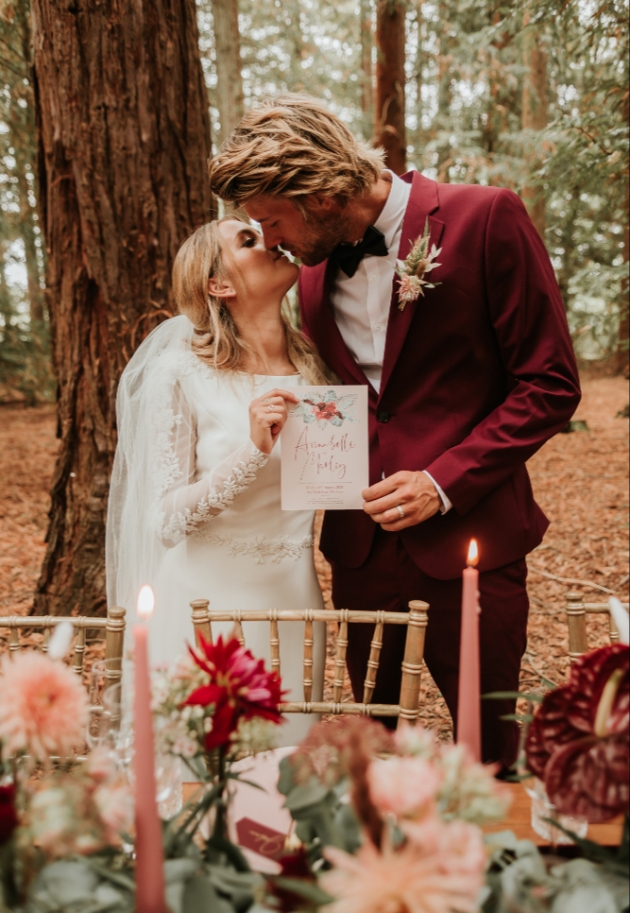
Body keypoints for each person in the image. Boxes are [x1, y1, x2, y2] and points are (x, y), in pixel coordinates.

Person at [208, 94, 582, 767]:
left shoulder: (487, 217)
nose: (268, 240)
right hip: (358, 552)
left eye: (271, 219)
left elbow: (550, 382)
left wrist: (442, 482)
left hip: (472, 541)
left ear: (320, 193)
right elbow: (352, 395)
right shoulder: (313, 272)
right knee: (366, 759)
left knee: (490, 750)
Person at [106, 217, 328, 745]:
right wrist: (251, 451)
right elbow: (163, 519)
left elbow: (323, 479)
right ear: (218, 285)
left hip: (294, 596)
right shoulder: (183, 374)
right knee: (199, 777)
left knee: (283, 778)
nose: (270, 242)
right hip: (203, 604)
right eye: (248, 241)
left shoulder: (317, 366)